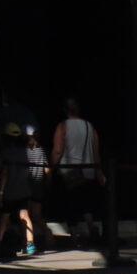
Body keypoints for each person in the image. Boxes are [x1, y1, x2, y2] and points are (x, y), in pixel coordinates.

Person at [48, 98, 104, 247]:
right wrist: (99, 172)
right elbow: (96, 151)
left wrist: (51, 168)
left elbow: (58, 150)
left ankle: (74, 235)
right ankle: (91, 226)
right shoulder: (89, 126)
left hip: (69, 171)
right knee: (86, 202)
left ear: (65, 110)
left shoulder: (63, 126)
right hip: (87, 170)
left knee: (70, 204)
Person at [0, 122, 47, 258]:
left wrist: (0, 192)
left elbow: (4, 173)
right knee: (25, 216)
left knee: (4, 218)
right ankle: (30, 245)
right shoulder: (24, 152)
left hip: (10, 190)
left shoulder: (5, 153)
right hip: (23, 189)